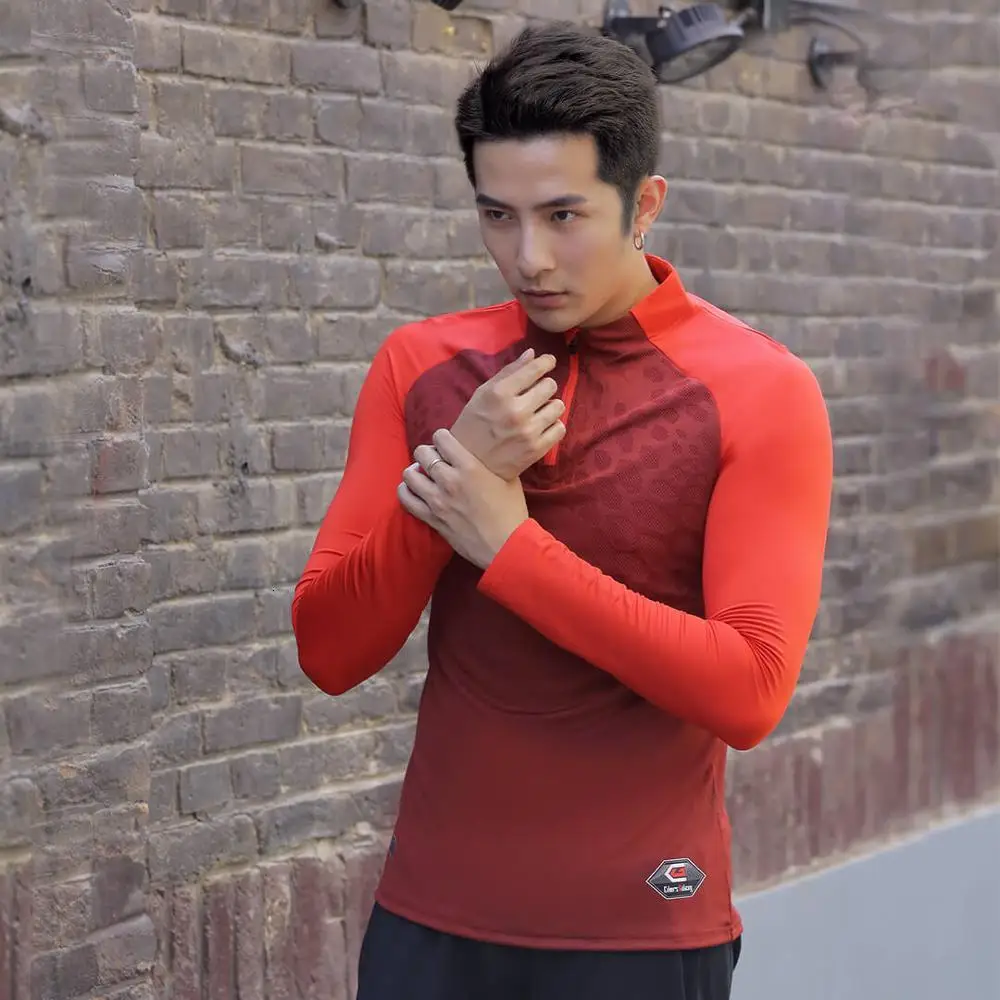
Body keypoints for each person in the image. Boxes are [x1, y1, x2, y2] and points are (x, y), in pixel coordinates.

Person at [292, 20, 833, 1000]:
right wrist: (458, 472)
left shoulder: (759, 390)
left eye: (563, 215)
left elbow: (749, 690)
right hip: (431, 921)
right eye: (497, 215)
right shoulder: (424, 367)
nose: (528, 256)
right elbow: (329, 651)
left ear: (645, 204)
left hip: (641, 927)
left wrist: (508, 546)